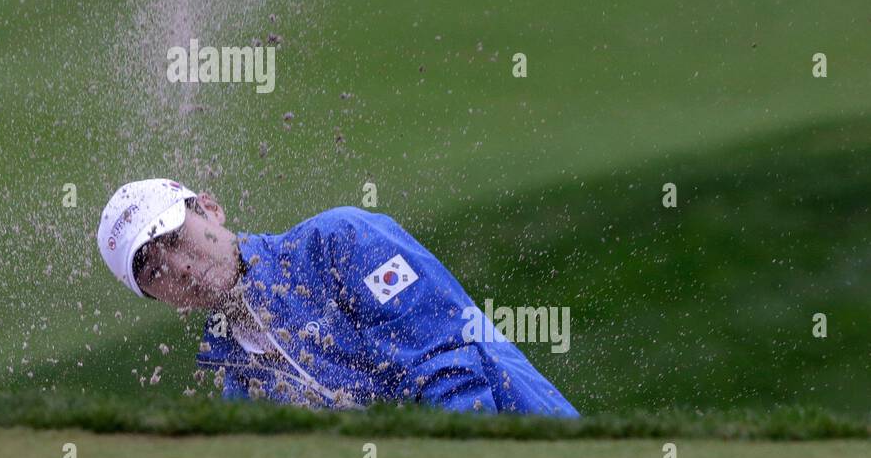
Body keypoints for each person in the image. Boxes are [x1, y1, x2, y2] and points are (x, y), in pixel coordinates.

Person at [97, 179, 579, 415]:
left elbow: (449, 370)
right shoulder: (240, 388)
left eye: (176, 237)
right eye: (154, 271)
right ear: (158, 298)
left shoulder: (338, 242)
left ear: (210, 209)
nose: (180, 267)